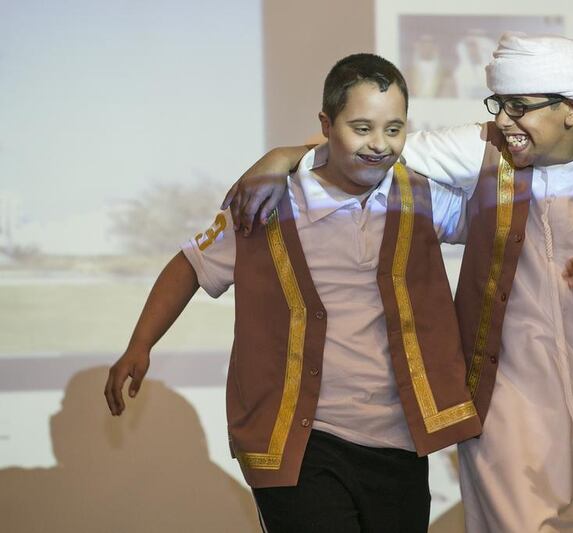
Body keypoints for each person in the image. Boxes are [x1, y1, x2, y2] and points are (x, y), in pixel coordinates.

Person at [221, 33, 573, 532]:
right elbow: (374, 146)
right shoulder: (481, 148)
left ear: (572, 110)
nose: (504, 120)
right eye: (500, 105)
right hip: (508, 407)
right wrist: (284, 155)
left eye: (519, 107)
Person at [103, 53, 484, 533]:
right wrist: (141, 343)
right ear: (326, 124)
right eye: (361, 127)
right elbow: (190, 266)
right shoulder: (267, 200)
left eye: (394, 129)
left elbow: (503, 209)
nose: (379, 145)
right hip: (301, 443)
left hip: (399, 442)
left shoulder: (423, 198)